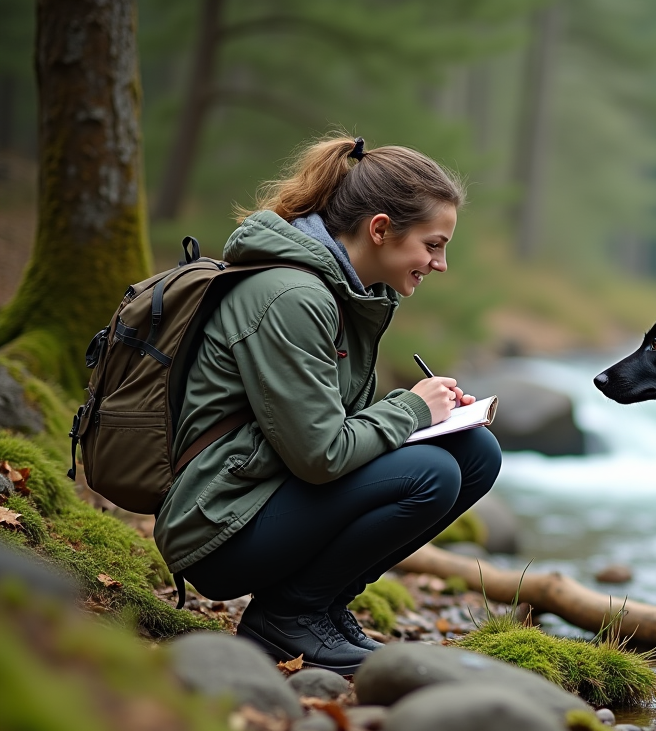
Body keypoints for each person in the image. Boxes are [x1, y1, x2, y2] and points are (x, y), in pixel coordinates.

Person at [153, 134, 501, 674]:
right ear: (380, 229)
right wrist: (410, 410)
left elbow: (322, 426)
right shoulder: (293, 298)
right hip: (218, 522)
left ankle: (320, 605)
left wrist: (436, 415)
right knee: (431, 474)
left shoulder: (347, 292)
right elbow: (320, 454)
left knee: (475, 451)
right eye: (433, 245)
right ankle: (287, 616)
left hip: (265, 493)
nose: (441, 264)